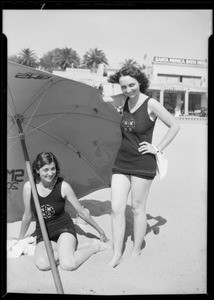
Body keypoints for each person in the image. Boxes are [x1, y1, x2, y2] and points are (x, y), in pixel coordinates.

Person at [104, 66, 180, 267]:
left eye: (132, 85)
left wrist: (157, 148)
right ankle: (117, 253)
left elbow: (175, 125)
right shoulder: (123, 99)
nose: (128, 89)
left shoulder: (151, 103)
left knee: (138, 208)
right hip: (122, 160)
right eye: (124, 86)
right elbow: (100, 101)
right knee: (115, 208)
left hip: (143, 161)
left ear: (140, 83)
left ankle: (136, 250)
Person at [18, 152, 108, 271]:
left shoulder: (63, 186)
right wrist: (20, 239)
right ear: (37, 170)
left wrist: (100, 231)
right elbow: (27, 215)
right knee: (43, 264)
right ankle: (68, 249)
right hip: (43, 232)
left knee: (68, 264)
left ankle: (95, 247)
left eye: (53, 168)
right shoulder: (29, 187)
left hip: (63, 228)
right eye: (45, 170)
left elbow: (81, 211)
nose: (50, 173)